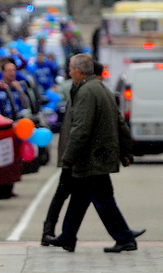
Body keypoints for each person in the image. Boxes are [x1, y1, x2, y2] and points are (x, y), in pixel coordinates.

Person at [41, 59, 145, 246]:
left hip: (92, 158)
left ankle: (125, 238)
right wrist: (126, 151)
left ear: (79, 71)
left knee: (103, 202)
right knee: (79, 199)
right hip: (97, 156)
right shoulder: (101, 88)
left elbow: (81, 129)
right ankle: (67, 237)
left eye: (71, 69)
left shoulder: (86, 92)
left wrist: (68, 157)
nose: (69, 73)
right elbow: (120, 123)